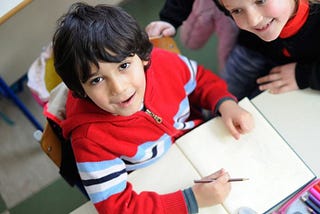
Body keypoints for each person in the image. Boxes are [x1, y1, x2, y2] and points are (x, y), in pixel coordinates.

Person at [52, 2, 254, 213]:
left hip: (206, 148)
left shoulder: (164, 64)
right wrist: (191, 200)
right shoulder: (90, 139)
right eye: (97, 80)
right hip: (162, 188)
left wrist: (226, 103)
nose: (119, 88)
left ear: (143, 57)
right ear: (81, 90)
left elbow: (200, 80)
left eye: (123, 66)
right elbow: (118, 208)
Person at [211, 0, 320, 99]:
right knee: (219, 99)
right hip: (252, 48)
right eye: (237, 10)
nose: (253, 21)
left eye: (261, 1)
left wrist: (303, 75)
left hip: (301, 69)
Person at [145, 0, 238, 71]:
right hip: (203, 6)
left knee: (229, 55)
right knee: (191, 42)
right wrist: (170, 18)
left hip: (244, 42)